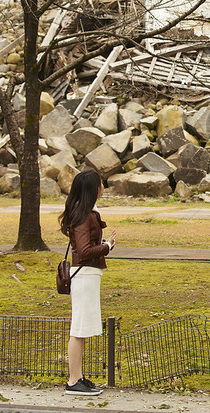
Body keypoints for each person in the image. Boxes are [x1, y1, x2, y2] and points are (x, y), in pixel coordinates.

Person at [58, 170, 116, 397]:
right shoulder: (83, 215)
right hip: (83, 276)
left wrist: (103, 243)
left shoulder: (86, 212)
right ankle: (73, 381)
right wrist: (107, 246)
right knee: (78, 329)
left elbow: (86, 245)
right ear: (94, 188)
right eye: (101, 183)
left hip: (88, 276)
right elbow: (83, 250)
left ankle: (78, 377)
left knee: (81, 329)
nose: (103, 187)